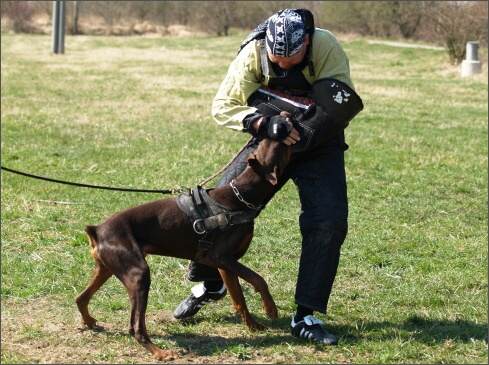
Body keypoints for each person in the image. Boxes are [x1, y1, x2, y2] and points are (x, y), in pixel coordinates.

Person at [173, 8, 363, 345]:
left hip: (321, 144)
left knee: (328, 220)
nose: (285, 66)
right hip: (271, 140)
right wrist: (259, 122)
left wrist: (304, 134)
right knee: (220, 211)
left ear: (307, 41)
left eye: (293, 58)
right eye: (278, 60)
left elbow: (341, 101)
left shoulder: (326, 45)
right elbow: (223, 104)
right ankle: (211, 282)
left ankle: (305, 315)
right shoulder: (254, 51)